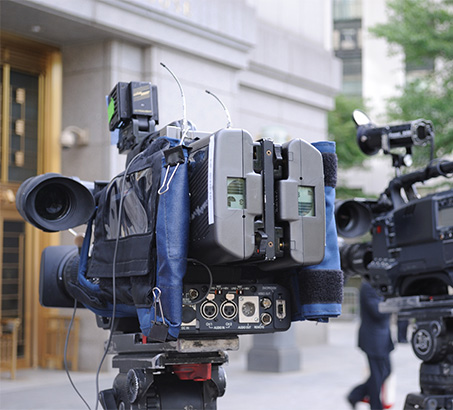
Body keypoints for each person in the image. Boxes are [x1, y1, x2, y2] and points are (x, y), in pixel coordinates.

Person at [347, 280, 394, 410]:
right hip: (373, 339)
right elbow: (378, 312)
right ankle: (375, 406)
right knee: (377, 375)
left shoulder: (380, 285)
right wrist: (393, 304)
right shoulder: (368, 286)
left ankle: (356, 394)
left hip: (383, 338)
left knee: (386, 371)